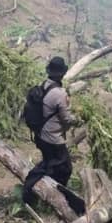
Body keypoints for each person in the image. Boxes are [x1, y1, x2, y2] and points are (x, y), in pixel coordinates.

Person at [23, 57, 84, 213]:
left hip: (40, 135)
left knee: (51, 164)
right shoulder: (59, 93)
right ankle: (51, 197)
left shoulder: (44, 86)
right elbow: (67, 119)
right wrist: (80, 120)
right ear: (62, 73)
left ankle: (40, 191)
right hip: (52, 139)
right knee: (65, 169)